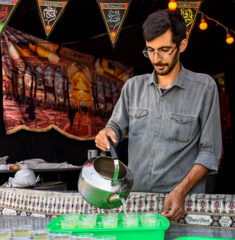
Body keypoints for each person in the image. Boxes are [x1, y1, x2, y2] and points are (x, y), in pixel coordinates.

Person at [95, 9, 222, 221]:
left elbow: (210, 153)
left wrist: (180, 191)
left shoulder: (204, 88)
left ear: (182, 45)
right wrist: (107, 132)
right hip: (136, 204)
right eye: (150, 50)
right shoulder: (133, 87)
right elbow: (115, 127)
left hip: (182, 206)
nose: (156, 59)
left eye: (164, 50)